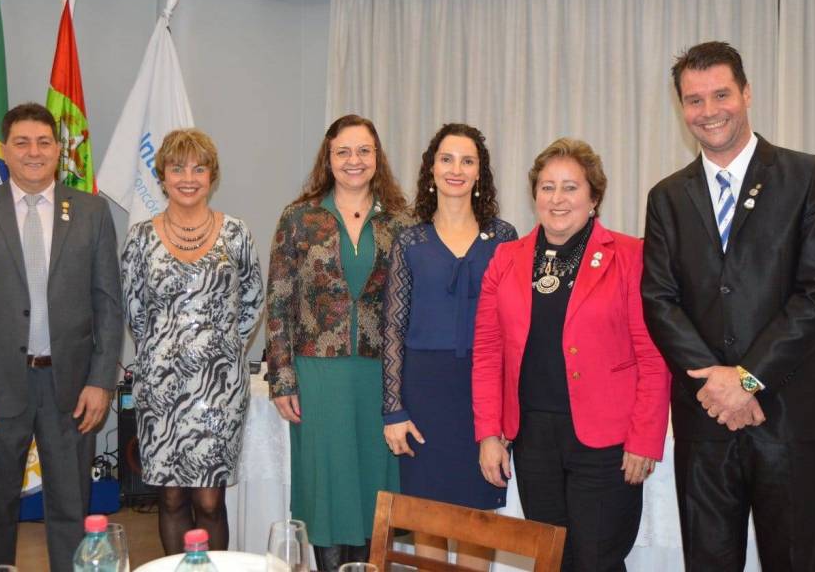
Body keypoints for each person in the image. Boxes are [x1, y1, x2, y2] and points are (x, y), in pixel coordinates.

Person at [641, 41, 815, 571]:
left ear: (747, 93)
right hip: (705, 418)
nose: (709, 111)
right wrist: (718, 386)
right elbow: (660, 301)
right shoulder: (666, 197)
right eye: (694, 100)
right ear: (681, 107)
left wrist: (748, 379)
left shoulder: (808, 176)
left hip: (790, 416)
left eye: (721, 94)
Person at [0, 102, 122, 572]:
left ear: (58, 150)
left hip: (71, 390)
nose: (33, 152)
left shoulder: (92, 212)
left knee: (72, 509)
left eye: (43, 142)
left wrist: (101, 382)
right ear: (4, 150)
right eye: (22, 143)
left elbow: (108, 304)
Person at [473, 138, 670, 572]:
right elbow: (487, 352)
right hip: (532, 439)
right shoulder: (506, 258)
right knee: (551, 559)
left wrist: (645, 439)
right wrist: (488, 433)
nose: (557, 198)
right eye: (547, 187)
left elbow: (654, 356)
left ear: (594, 197)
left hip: (606, 442)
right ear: (534, 195)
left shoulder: (630, 256)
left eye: (570, 187)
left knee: (597, 560)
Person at [265, 114, 410, 570]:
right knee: (327, 490)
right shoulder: (299, 218)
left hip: (381, 376)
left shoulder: (400, 222)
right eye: (343, 151)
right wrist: (281, 380)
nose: (354, 160)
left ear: (377, 157)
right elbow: (278, 302)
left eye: (364, 151)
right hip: (318, 375)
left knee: (373, 487)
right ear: (327, 158)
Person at [120, 128, 263, 554]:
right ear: (162, 175)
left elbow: (253, 301)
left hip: (220, 389)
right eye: (177, 167)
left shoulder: (236, 233)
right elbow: (134, 310)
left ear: (212, 176)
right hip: (160, 388)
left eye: (198, 169)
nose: (188, 177)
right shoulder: (140, 238)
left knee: (210, 500)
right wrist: (168, 351)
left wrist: (219, 349)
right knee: (170, 497)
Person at [382, 123, 517, 569]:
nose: (456, 169)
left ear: (480, 173)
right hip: (424, 394)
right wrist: (393, 410)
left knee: (478, 519)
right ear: (431, 170)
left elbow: (516, 329)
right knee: (428, 517)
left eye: (467, 160)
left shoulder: (504, 238)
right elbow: (392, 329)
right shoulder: (410, 241)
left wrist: (506, 411)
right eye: (446, 159)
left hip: (482, 393)